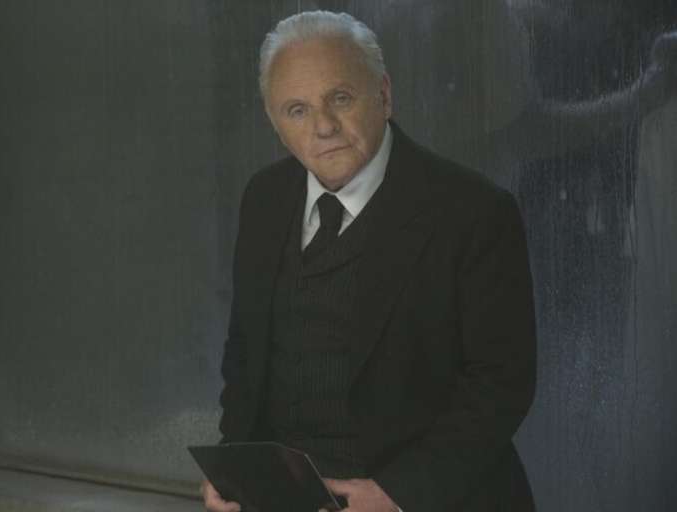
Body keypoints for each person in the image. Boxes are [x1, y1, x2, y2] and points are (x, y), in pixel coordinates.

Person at [202, 11, 536, 512]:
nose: (324, 127)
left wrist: (398, 495)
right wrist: (234, 472)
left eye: (340, 98)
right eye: (297, 110)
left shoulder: (474, 211)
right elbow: (245, 357)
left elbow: (501, 387)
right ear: (274, 123)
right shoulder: (264, 198)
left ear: (384, 95)